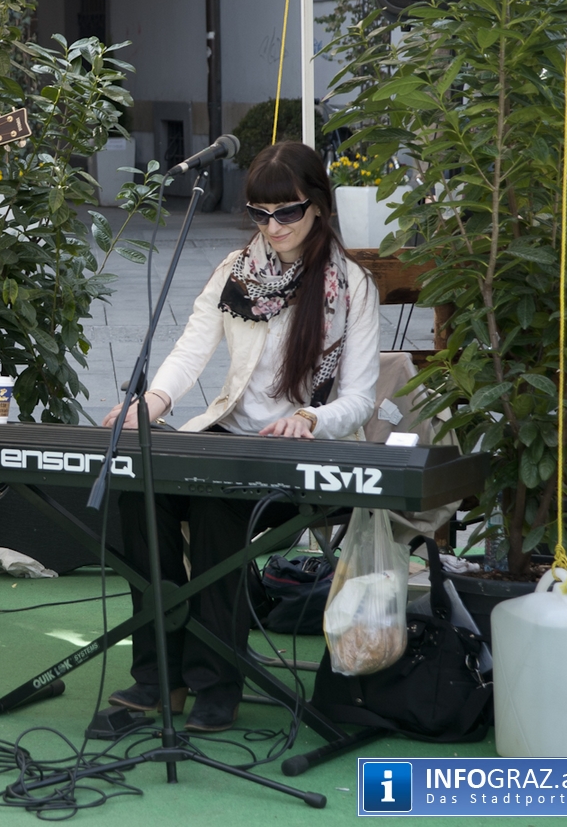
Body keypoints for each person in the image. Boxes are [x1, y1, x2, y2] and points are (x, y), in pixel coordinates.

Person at [102, 141, 379, 732]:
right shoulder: (235, 273)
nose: (272, 227)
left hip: (303, 458)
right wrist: (149, 404)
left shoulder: (349, 286)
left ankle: (216, 679)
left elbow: (359, 399)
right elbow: (190, 349)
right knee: (138, 490)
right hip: (229, 440)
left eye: (287, 212)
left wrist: (307, 418)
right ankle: (159, 672)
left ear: (319, 207)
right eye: (260, 213)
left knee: (215, 509)